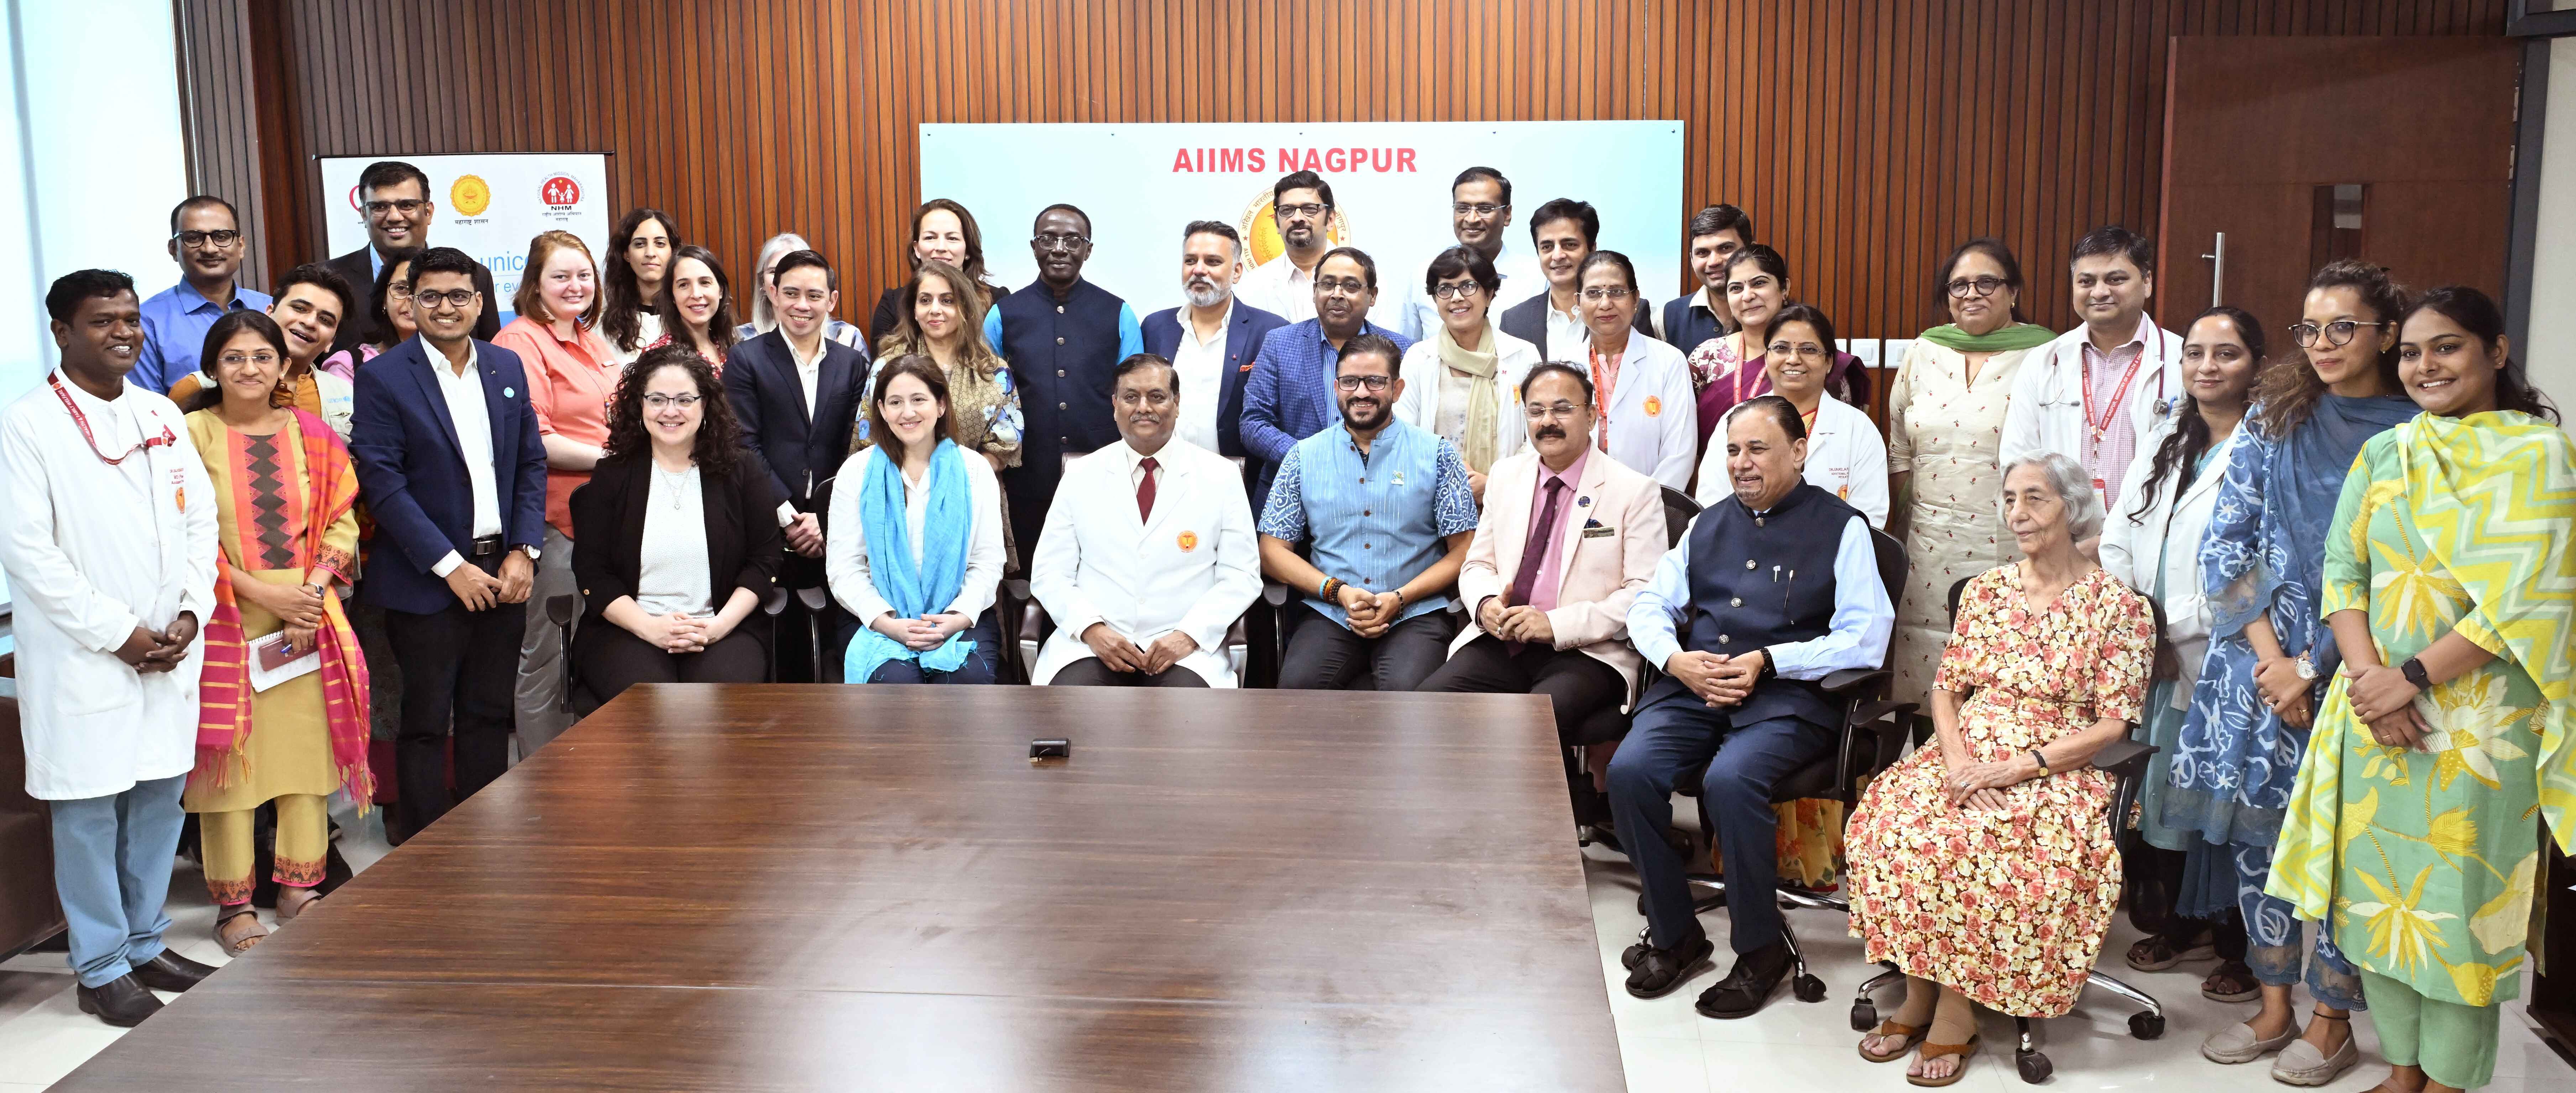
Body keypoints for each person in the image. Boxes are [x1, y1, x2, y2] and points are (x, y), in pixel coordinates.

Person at [2271, 286, 2572, 1093]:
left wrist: (2407, 680)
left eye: (2447, 347)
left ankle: (2448, 1080)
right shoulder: (2386, 452)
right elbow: (2343, 573)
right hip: (2374, 712)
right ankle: (2402, 1071)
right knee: (2380, 904)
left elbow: (2526, 598)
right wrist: (2369, 682)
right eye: (2410, 351)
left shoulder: (2539, 457)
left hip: (2476, 728)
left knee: (2457, 912)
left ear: (2495, 353)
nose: (2424, 365)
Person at [2165, 259, 2421, 1084]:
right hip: (2256, 673)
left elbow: (2411, 567)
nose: (2322, 343)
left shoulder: (2419, 427)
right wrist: (2273, 662)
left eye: (2341, 326)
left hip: (2364, 669)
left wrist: (2313, 665)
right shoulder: (2273, 417)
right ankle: (2272, 1002)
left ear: (2387, 332)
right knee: (2262, 844)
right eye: (2308, 328)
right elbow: (2225, 544)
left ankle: (2330, 1017)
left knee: (2349, 848)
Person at [1845, 453, 2156, 1086]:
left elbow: (2112, 726)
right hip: (1968, 750)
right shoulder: (1986, 591)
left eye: (2035, 498)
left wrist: (2014, 769)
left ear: (2072, 507)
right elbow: (1945, 690)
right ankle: (1919, 989)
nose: (2018, 512)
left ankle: (1955, 1011)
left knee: (1985, 840)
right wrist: (1958, 762)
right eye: (2010, 498)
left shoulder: (2119, 607)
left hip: (2059, 763)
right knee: (1893, 820)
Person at [1609, 396, 1893, 1014]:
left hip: (1789, 698)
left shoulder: (1841, 528)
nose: (1742, 462)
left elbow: (1865, 638)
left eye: (1757, 449)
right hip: (1695, 684)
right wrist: (1675, 660)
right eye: (1733, 450)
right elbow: (1649, 605)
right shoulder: (1707, 523)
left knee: (1731, 781)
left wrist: (1770, 659)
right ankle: (1676, 934)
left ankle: (1762, 952)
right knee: (1629, 772)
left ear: (1799, 451)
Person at [0, 270, 220, 1026]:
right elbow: (29, 553)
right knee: (89, 812)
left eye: (131, 318)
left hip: (168, 649)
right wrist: (117, 633)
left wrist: (190, 611)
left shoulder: (160, 411)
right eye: (103, 321)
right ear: (62, 331)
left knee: (158, 801)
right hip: (85, 657)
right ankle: (100, 966)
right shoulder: (27, 425)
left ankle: (145, 942)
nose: (125, 331)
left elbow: (201, 524)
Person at [176, 309, 372, 955]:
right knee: (227, 765)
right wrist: (262, 593)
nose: (249, 369)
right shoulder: (190, 435)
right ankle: (234, 905)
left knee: (305, 761)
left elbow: (342, 519)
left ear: (284, 364)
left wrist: (309, 595)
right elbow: (181, 535)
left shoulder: (312, 434)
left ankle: (298, 889)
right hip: (224, 617)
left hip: (308, 620)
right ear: (212, 367)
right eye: (234, 358)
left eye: (262, 356)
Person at [348, 247, 546, 846]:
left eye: (459, 295)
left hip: (504, 571)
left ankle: (485, 839)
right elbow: (383, 483)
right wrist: (450, 566)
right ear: (410, 304)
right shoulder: (384, 377)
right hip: (426, 579)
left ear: (479, 303)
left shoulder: (505, 367)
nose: (445, 307)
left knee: (487, 714)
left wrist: (524, 550)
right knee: (427, 720)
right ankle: (426, 847)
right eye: (429, 296)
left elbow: (530, 463)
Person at [1418, 361, 1667, 836]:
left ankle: (1526, 838)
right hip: (1505, 638)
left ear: (1591, 415)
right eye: (1536, 411)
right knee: (1427, 707)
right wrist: (1486, 604)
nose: (1547, 421)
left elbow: (1644, 594)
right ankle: (1458, 825)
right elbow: (1476, 565)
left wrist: (1554, 624)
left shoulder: (1633, 490)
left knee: (1527, 724)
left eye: (1562, 408)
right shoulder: (1507, 477)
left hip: (1588, 651)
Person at [2097, 306, 2263, 997]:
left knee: (2224, 797)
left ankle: (2238, 944)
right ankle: (2181, 923)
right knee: (2162, 795)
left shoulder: (2267, 446)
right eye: (2195, 352)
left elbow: (2260, 567)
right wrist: (2145, 626)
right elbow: (2116, 537)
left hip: (2226, 654)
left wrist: (2175, 629)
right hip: (2153, 650)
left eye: (2225, 353)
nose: (2206, 366)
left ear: (2254, 364)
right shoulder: (2168, 434)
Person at [1882, 238, 2057, 713]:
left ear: (2013, 291)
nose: (1971, 294)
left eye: (1986, 282)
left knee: (2003, 664)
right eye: (1958, 285)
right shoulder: (1924, 351)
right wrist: (1903, 525)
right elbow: (1899, 448)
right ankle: (1930, 756)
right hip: (1926, 541)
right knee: (1925, 661)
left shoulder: (2045, 354)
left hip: (2009, 540)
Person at [1258, 334, 1475, 691]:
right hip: (1331, 611)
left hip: (1415, 611)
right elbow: (1271, 551)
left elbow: (1464, 550)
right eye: (1349, 382)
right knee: (1298, 695)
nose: (1361, 392)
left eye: (1375, 381)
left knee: (1409, 701)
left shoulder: (1437, 454)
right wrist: (1338, 592)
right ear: (1336, 388)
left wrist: (1400, 598)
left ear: (1397, 389)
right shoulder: (1302, 457)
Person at [1029, 353, 1261, 687]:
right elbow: (1050, 573)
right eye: (1130, 397)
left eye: (1156, 396)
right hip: (1094, 644)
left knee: (1184, 711)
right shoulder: (1081, 474)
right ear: (1115, 405)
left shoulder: (1221, 476)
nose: (1143, 408)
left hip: (1184, 646)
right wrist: (1091, 629)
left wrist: (1188, 635)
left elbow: (1241, 576)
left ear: (1177, 403)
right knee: (1079, 708)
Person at [569, 346, 783, 702]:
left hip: (723, 627)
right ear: (640, 405)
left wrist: (716, 627)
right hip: (629, 630)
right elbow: (592, 570)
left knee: (714, 706)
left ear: (705, 405)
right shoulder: (613, 474)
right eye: (657, 400)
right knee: (656, 707)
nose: (670, 411)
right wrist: (650, 628)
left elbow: (765, 561)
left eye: (684, 400)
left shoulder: (742, 470)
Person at [491, 230, 618, 756]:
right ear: (535, 283)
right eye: (560, 276)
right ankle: (543, 779)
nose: (575, 285)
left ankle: (584, 773)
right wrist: (618, 460)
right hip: (554, 523)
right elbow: (537, 441)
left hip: (602, 521)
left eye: (584, 275)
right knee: (549, 656)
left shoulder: (590, 338)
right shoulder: (521, 341)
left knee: (590, 653)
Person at [723, 248, 867, 683]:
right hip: (766, 523)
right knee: (777, 648)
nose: (802, 305)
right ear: (772, 294)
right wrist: (788, 516)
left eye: (813, 295)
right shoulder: (746, 358)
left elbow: (855, 448)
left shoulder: (851, 363)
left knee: (831, 647)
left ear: (832, 300)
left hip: (832, 529)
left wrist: (825, 516)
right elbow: (742, 443)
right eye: (791, 293)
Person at [826, 355, 1006, 685]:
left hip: (958, 615)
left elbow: (987, 561)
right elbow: (844, 567)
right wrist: (887, 623)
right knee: (897, 686)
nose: (907, 413)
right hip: (877, 618)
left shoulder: (974, 470)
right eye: (896, 402)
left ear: (941, 405)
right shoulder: (856, 472)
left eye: (919, 400)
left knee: (966, 683)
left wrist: (956, 618)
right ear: (882, 410)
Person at [2001, 225, 2184, 516]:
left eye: (2116, 279)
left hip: (2148, 528)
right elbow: (2018, 461)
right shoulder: (2043, 362)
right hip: (2062, 532)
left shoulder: (2183, 360)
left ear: (2147, 282)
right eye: (2086, 281)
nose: (2099, 292)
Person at [1237, 246, 1415, 511]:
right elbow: (1254, 423)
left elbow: (1411, 427)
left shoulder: (1401, 350)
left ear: (1373, 295)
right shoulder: (1280, 343)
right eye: (1328, 284)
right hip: (1292, 495)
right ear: (1314, 292)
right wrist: (1310, 459)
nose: (1337, 294)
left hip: (1376, 499)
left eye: (1351, 286)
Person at [1694, 304, 1886, 527]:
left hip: (1830, 547)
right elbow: (1711, 506)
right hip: (1743, 546)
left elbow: (1869, 518)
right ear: (1766, 358)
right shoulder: (1736, 420)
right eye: (1781, 348)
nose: (1793, 359)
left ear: (1829, 362)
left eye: (1809, 350)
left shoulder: (1858, 429)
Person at [1682, 245, 1873, 454]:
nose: (1747, 296)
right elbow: (1684, 435)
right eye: (1736, 288)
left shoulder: (1819, 360)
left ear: (1785, 288)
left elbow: (1844, 439)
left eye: (1759, 283)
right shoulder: (1707, 357)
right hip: (1719, 470)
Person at [1392, 245, 1542, 502]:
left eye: (1468, 286)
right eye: (1445, 289)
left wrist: (1494, 483)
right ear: (1435, 299)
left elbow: (1536, 437)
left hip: (1508, 499)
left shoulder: (1523, 355)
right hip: (1434, 498)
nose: (1456, 298)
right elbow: (1403, 435)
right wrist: (1448, 475)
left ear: (1490, 294)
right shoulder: (1418, 358)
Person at [1139, 220, 1288, 461]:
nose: (1199, 270)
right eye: (1190, 261)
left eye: (1212, 262)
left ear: (1237, 272)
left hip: (1240, 475)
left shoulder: (1271, 331)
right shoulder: (1156, 327)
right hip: (1164, 472)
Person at [858, 258, 1023, 472]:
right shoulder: (888, 364)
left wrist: (957, 477)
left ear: (964, 308)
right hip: (898, 482)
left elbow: (1004, 446)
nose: (935, 310)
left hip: (971, 484)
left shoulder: (993, 370)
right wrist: (918, 480)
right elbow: (868, 436)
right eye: (925, 300)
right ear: (914, 310)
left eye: (947, 301)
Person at [170, 263, 359, 441]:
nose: (310, 322)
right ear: (269, 313)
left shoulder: (346, 394)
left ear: (331, 342)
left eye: (325, 320)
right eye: (300, 308)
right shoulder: (197, 387)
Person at [325, 160, 498, 352]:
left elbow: (489, 356)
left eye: (407, 205)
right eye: (380, 207)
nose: (394, 217)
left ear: (428, 212)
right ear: (364, 215)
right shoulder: (328, 280)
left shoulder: (476, 275)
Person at [1569, 251, 1695, 490]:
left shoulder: (1669, 361)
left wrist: (1646, 504)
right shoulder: (1564, 365)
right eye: (1594, 293)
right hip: (1576, 499)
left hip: (1651, 503)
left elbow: (1680, 453)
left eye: (1617, 292)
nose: (1605, 304)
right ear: (1577, 302)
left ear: (1635, 298)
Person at [137, 194, 271, 394]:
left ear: (241, 246)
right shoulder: (147, 321)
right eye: (194, 238)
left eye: (222, 236)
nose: (210, 248)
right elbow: (148, 406)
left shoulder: (270, 309)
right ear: (173, 249)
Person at [1394, 167, 1546, 340]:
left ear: (1507, 214)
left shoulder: (1538, 277)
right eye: (1462, 208)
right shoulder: (1424, 275)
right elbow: (1408, 346)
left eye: (1485, 209)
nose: (1472, 219)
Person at [1497, 198, 1655, 360]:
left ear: (1592, 249)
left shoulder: (1629, 312)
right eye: (1547, 247)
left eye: (1570, 245)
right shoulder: (1515, 320)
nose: (1558, 256)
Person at [869, 198, 1007, 345]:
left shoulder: (997, 301)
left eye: (952, 238)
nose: (941, 247)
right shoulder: (893, 304)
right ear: (917, 249)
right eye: (930, 238)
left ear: (968, 250)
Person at [1235, 170, 1336, 324]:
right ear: (1277, 223)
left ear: (1330, 220)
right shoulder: (1253, 286)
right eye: (1287, 210)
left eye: (1310, 209)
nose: (1297, 218)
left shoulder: (1361, 277)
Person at [735, 231, 865, 348]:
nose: (782, 279)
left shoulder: (847, 337)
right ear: (763, 283)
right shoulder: (739, 339)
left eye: (795, 270)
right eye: (774, 271)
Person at [1656, 204, 1751, 355]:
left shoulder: (1777, 315)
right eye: (1703, 253)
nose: (1714, 262)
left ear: (1751, 252)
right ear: (1692, 259)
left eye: (1725, 248)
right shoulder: (1667, 318)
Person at [318, 245, 420, 381]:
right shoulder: (349, 365)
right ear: (384, 299)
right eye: (401, 289)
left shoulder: (448, 360)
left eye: (426, 293)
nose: (412, 300)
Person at [599, 207, 678, 365]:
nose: (650, 253)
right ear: (626, 254)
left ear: (673, 252)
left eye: (660, 244)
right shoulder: (603, 323)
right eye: (640, 244)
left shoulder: (690, 315)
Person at [645, 244, 739, 370]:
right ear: (672, 296)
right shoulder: (660, 357)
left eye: (705, 282)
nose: (696, 294)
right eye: (684, 285)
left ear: (721, 291)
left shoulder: (729, 345)